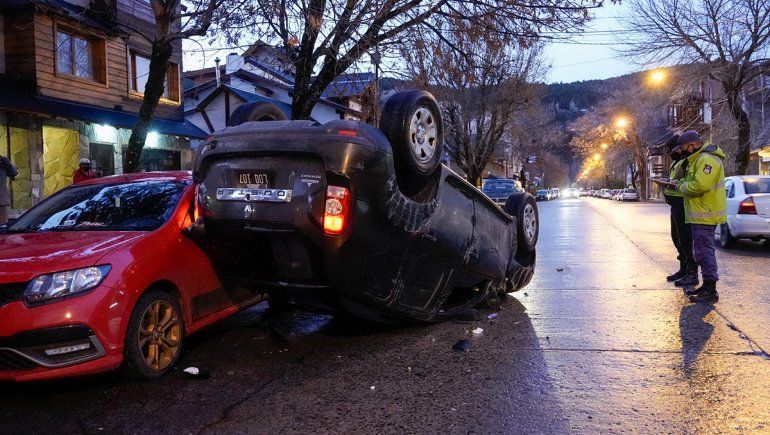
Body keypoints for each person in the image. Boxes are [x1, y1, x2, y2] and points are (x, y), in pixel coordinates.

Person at [675, 130, 726, 303]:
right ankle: (707, 285)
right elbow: (694, 181)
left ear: (692, 145)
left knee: (704, 252)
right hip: (701, 214)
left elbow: (699, 185)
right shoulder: (698, 159)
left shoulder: (706, 159)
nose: (682, 151)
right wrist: (679, 183)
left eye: (683, 148)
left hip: (706, 213)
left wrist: (681, 188)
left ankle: (711, 290)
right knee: (701, 251)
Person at [661, 135, 697, 285]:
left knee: (686, 240)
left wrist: (672, 183)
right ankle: (683, 269)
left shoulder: (687, 161)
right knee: (677, 239)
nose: (672, 153)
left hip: (683, 205)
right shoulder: (676, 162)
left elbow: (688, 182)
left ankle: (692, 272)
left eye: (674, 150)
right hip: (675, 206)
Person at [0, 155, 18, 224]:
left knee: (2, 225)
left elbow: (14, 172)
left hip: (2, 200)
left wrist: (6, 162)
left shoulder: (2, 163)